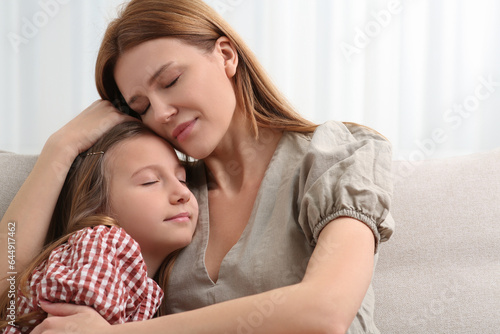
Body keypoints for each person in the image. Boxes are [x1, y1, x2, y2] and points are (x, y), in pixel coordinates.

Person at [0, 0, 395, 333]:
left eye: (170, 81)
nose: (162, 112)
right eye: (141, 107)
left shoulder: (337, 154)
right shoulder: (166, 199)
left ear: (225, 55)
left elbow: (324, 312)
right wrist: (61, 147)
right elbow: (10, 293)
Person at [0, 121, 198, 333]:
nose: (183, 193)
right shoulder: (102, 245)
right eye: (149, 181)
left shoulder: (137, 277)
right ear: (98, 208)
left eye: (182, 179)